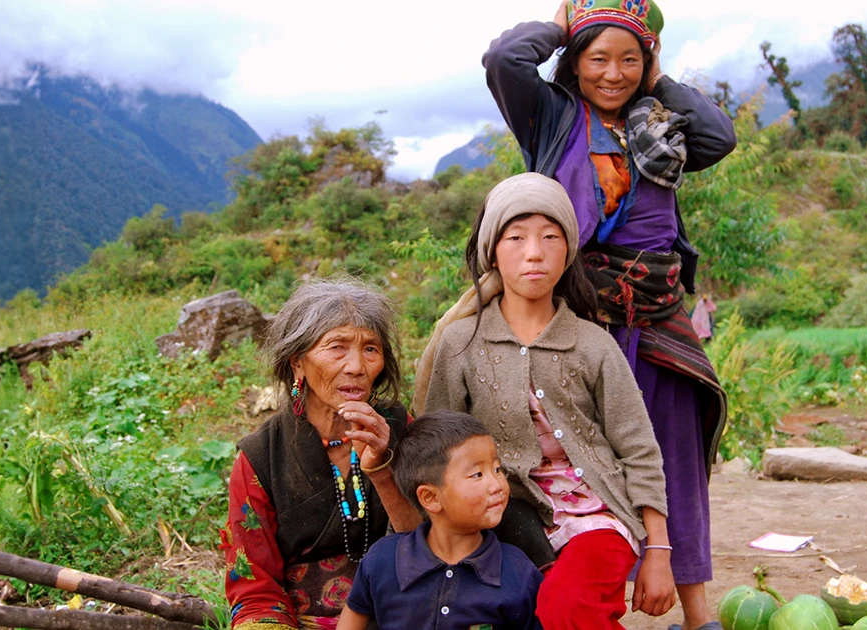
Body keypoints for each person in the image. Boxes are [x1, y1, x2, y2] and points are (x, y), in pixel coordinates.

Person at [481, 2, 736, 628]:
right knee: (582, 457)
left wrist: (656, 81)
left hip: (654, 317)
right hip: (578, 315)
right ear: (575, 59)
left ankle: (697, 612)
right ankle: (587, 596)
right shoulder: (551, 116)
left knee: (672, 454)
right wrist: (568, 24)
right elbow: (502, 59)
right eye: (599, 58)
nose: (613, 73)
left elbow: (720, 137)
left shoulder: (661, 123)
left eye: (630, 59)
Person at [415, 173, 675, 629]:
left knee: (564, 609)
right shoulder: (461, 343)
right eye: (516, 238)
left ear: (568, 251)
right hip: (502, 518)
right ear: (493, 250)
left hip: (597, 519)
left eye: (550, 237)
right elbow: (436, 448)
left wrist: (658, 551)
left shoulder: (593, 345)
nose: (534, 252)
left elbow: (638, 450)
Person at [222, 278, 423, 630]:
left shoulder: (401, 429)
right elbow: (255, 587)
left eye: (371, 349)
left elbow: (432, 542)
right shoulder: (261, 457)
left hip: (404, 610)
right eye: (337, 347)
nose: (357, 367)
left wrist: (382, 471)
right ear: (297, 362)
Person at [336, 410, 543, 630]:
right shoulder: (383, 561)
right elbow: (352, 620)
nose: (497, 485)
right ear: (431, 498)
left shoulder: (517, 573)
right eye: (477, 475)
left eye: (497, 469)